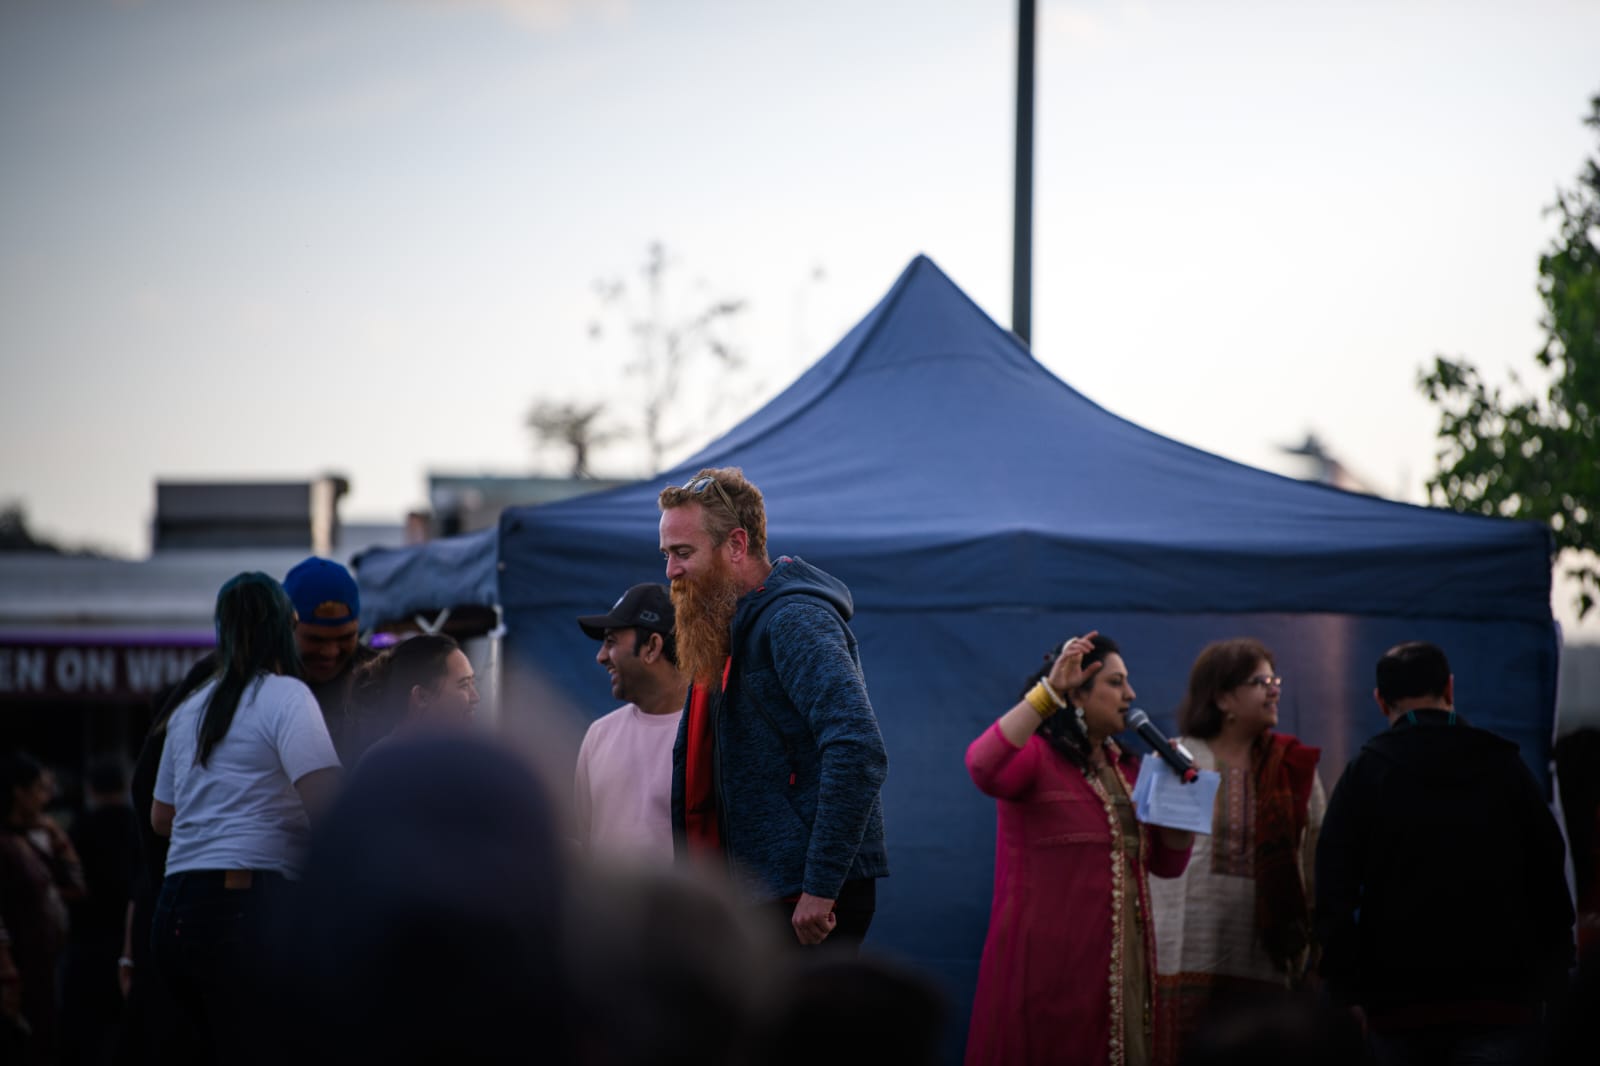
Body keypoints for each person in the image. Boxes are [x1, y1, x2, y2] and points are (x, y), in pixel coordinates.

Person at [659, 467, 889, 949]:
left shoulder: (793, 620)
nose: (671, 571)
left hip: (803, 903)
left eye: (683, 552)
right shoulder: (726, 626)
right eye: (667, 555)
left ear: (736, 545)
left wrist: (820, 887)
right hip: (759, 897)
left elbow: (857, 748)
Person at [1315, 641, 1574, 1065]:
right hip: (1501, 1001)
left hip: (1397, 1005)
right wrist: (1555, 974)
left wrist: (1346, 986)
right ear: (1450, 688)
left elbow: (1333, 888)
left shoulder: (1366, 773)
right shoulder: (1504, 766)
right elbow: (1548, 868)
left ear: (1380, 701)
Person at [966, 632, 1194, 1066]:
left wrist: (1180, 803)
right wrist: (1048, 692)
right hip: (1048, 970)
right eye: (1115, 682)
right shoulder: (1037, 756)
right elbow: (983, 765)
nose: (1131, 694)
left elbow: (1167, 865)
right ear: (1077, 694)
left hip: (1122, 968)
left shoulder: (1130, 769)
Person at [150, 572, 342, 1064]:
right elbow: (330, 805)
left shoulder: (189, 709)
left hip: (175, 909)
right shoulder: (288, 696)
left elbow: (161, 818)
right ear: (285, 628)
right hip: (247, 906)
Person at [1147, 638, 1325, 1064]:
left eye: (1276, 681)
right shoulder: (1176, 758)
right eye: (1262, 682)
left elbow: (1315, 860)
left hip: (1263, 956)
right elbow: (1148, 860)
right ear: (1223, 698)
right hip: (1182, 955)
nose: (1274, 691)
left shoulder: (1293, 767)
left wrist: (1316, 949)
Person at [573, 583, 688, 862]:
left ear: (652, 647)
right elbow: (583, 842)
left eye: (611, 641)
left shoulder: (709, 733)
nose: (601, 656)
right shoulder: (599, 735)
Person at [0, 751, 86, 1066]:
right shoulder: (6, 845)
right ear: (18, 793)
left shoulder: (35, 838)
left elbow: (77, 885)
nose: (44, 798)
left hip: (44, 962)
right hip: (19, 967)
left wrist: (53, 833)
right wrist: (7, 969)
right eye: (38, 789)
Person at [61, 757, 139, 1066]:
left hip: (87, 940)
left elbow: (68, 880)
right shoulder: (137, 824)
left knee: (87, 1032)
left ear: (91, 789)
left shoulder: (80, 828)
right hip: (129, 939)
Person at [349, 633, 480, 753]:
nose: (476, 697)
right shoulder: (384, 763)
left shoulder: (457, 754)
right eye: (464, 685)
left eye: (472, 683)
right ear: (422, 697)